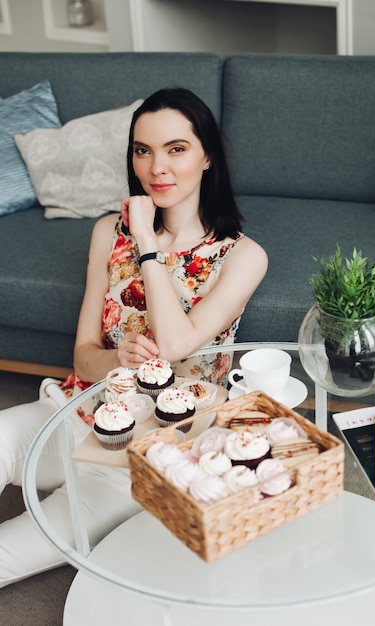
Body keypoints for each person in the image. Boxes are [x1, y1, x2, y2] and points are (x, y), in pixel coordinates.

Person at [0, 87, 268, 587]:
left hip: (149, 459)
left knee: (13, 552)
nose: (156, 167)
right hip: (75, 414)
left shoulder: (242, 256)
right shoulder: (108, 232)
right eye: (142, 150)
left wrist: (147, 240)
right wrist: (116, 359)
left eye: (176, 149)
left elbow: (174, 346)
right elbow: (83, 358)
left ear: (208, 156)